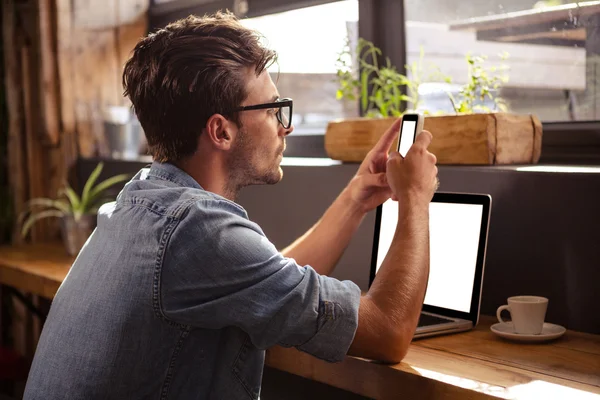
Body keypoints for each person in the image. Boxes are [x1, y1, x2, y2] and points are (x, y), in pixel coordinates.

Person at [23, 11, 438, 400]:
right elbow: (388, 331)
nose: (286, 125)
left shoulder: (140, 204)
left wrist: (356, 199)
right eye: (273, 109)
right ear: (220, 130)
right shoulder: (197, 230)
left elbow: (264, 282)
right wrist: (416, 199)